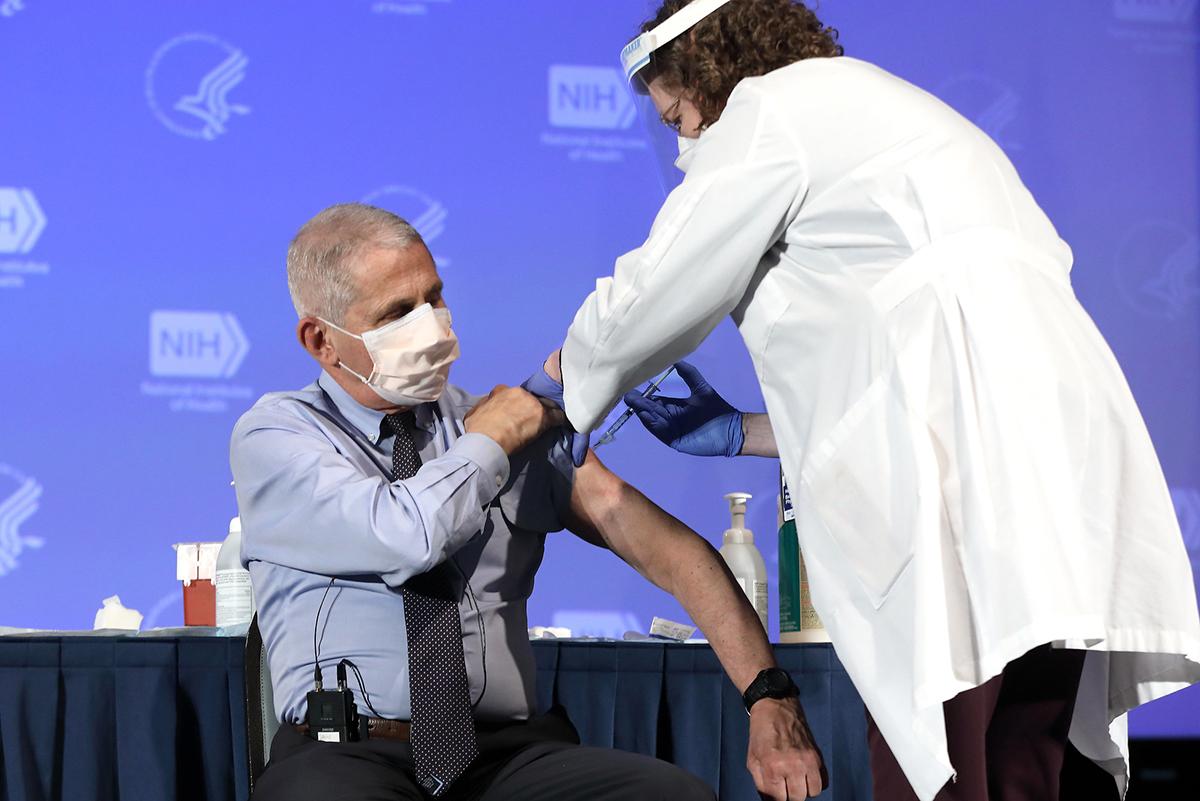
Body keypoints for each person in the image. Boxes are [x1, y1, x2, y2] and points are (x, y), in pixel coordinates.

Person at [527, 1, 1200, 800]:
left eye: (679, 116)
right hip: (1063, 465)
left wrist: (560, 383)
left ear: (708, 66)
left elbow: (662, 280)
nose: (683, 144)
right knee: (1027, 760)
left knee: (943, 759)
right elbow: (916, 366)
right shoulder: (900, 114)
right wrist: (742, 432)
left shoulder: (771, 109)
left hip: (958, 485)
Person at [230, 202, 826, 801]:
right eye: (398, 313)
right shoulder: (280, 436)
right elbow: (405, 535)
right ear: (321, 340)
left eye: (434, 298)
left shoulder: (502, 424)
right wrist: (492, 442)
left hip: (504, 757)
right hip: (347, 756)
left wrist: (769, 696)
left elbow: (671, 554)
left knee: (673, 796)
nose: (432, 325)